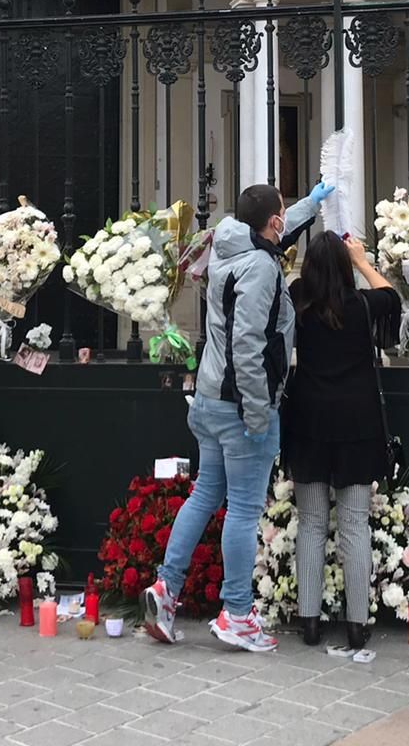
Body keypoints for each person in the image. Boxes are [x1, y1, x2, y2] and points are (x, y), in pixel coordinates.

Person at [143, 179, 331, 652]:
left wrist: (314, 201)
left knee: (205, 494)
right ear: (272, 221)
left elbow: (273, 241)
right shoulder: (263, 269)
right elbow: (248, 344)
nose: (285, 222)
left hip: (208, 397)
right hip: (240, 403)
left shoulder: (230, 244)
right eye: (283, 214)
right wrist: (256, 414)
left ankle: (166, 591)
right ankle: (238, 613)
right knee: (244, 510)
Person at [283, 232, 400, 652]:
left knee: (312, 523)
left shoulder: (299, 301)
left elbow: (292, 280)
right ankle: (355, 624)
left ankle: (310, 622)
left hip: (308, 420)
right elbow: (391, 295)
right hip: (356, 423)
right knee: (354, 525)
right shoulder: (363, 305)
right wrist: (362, 261)